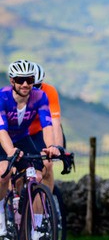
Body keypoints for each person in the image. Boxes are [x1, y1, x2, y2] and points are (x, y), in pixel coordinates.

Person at [0, 60, 61, 240]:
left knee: (37, 176)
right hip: (2, 139)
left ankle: (36, 229)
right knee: (4, 174)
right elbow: (2, 129)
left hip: (22, 138)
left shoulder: (40, 96)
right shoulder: (2, 97)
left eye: (30, 79)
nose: (26, 84)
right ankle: (1, 217)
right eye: (21, 80)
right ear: (12, 81)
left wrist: (50, 147)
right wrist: (10, 151)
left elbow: (47, 125)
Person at [29, 62, 66, 192]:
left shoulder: (49, 91)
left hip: (38, 132)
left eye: (37, 86)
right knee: (12, 171)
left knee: (47, 165)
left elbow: (55, 122)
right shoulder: (16, 94)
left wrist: (57, 148)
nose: (33, 89)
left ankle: (46, 202)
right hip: (16, 133)